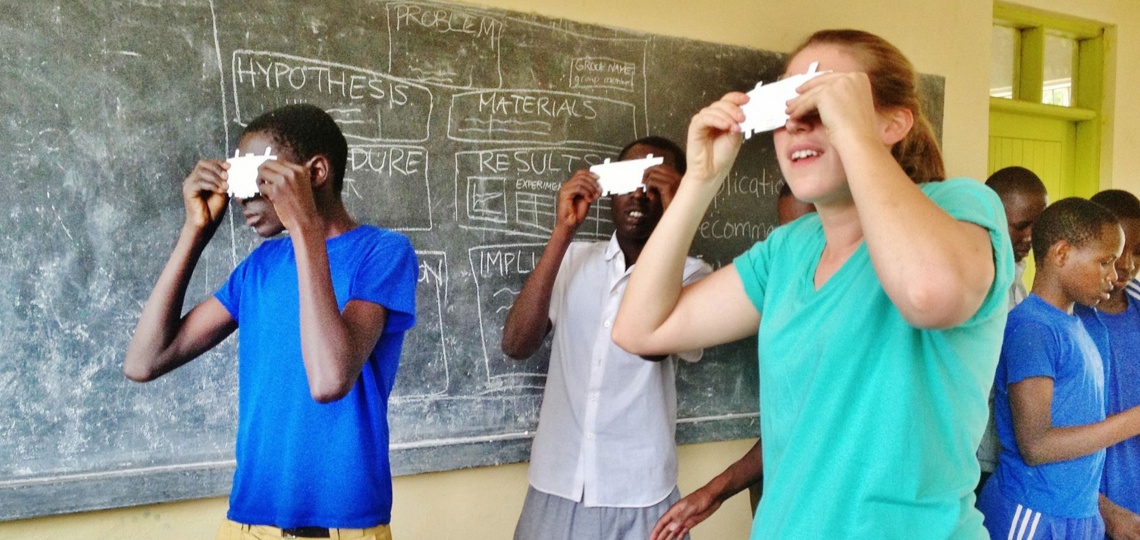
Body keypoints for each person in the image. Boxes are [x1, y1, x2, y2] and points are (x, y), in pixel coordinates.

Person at [614, 29, 1013, 539]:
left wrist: (856, 135)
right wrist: (699, 181)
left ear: (893, 123)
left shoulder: (959, 207)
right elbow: (640, 329)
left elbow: (929, 295)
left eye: (824, 103)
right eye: (785, 109)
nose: (797, 125)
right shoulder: (789, 249)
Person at [122, 104, 417, 540]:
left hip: (344, 525)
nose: (243, 196)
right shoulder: (261, 267)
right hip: (250, 522)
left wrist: (305, 229)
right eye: (238, 180)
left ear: (315, 173)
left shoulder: (382, 253)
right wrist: (194, 232)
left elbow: (329, 379)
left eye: (258, 179)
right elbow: (143, 362)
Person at [502, 136, 712, 540]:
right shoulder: (574, 259)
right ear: (609, 189)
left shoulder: (693, 276)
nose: (639, 194)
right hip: (557, 483)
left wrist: (679, 215)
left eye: (656, 184)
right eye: (630, 179)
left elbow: (653, 345)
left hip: (642, 493)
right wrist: (563, 232)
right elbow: (516, 344)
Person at [977, 197, 1140, 540]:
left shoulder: (1080, 325)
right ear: (1062, 254)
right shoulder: (1032, 329)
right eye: (1104, 262)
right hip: (1032, 512)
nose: (1114, 275)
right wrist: (1133, 421)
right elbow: (1036, 446)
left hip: (1078, 513)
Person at [976, 166, 1049, 491]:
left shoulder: (1016, 279)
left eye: (1039, 225)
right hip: (974, 457)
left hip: (1001, 455)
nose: (1032, 237)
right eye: (1021, 226)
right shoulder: (976, 284)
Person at [1084, 190, 1140, 539]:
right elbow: (1037, 443)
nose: (1128, 264)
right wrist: (1102, 509)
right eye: (1118, 252)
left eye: (1138, 252)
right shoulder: (1064, 319)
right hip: (1087, 507)